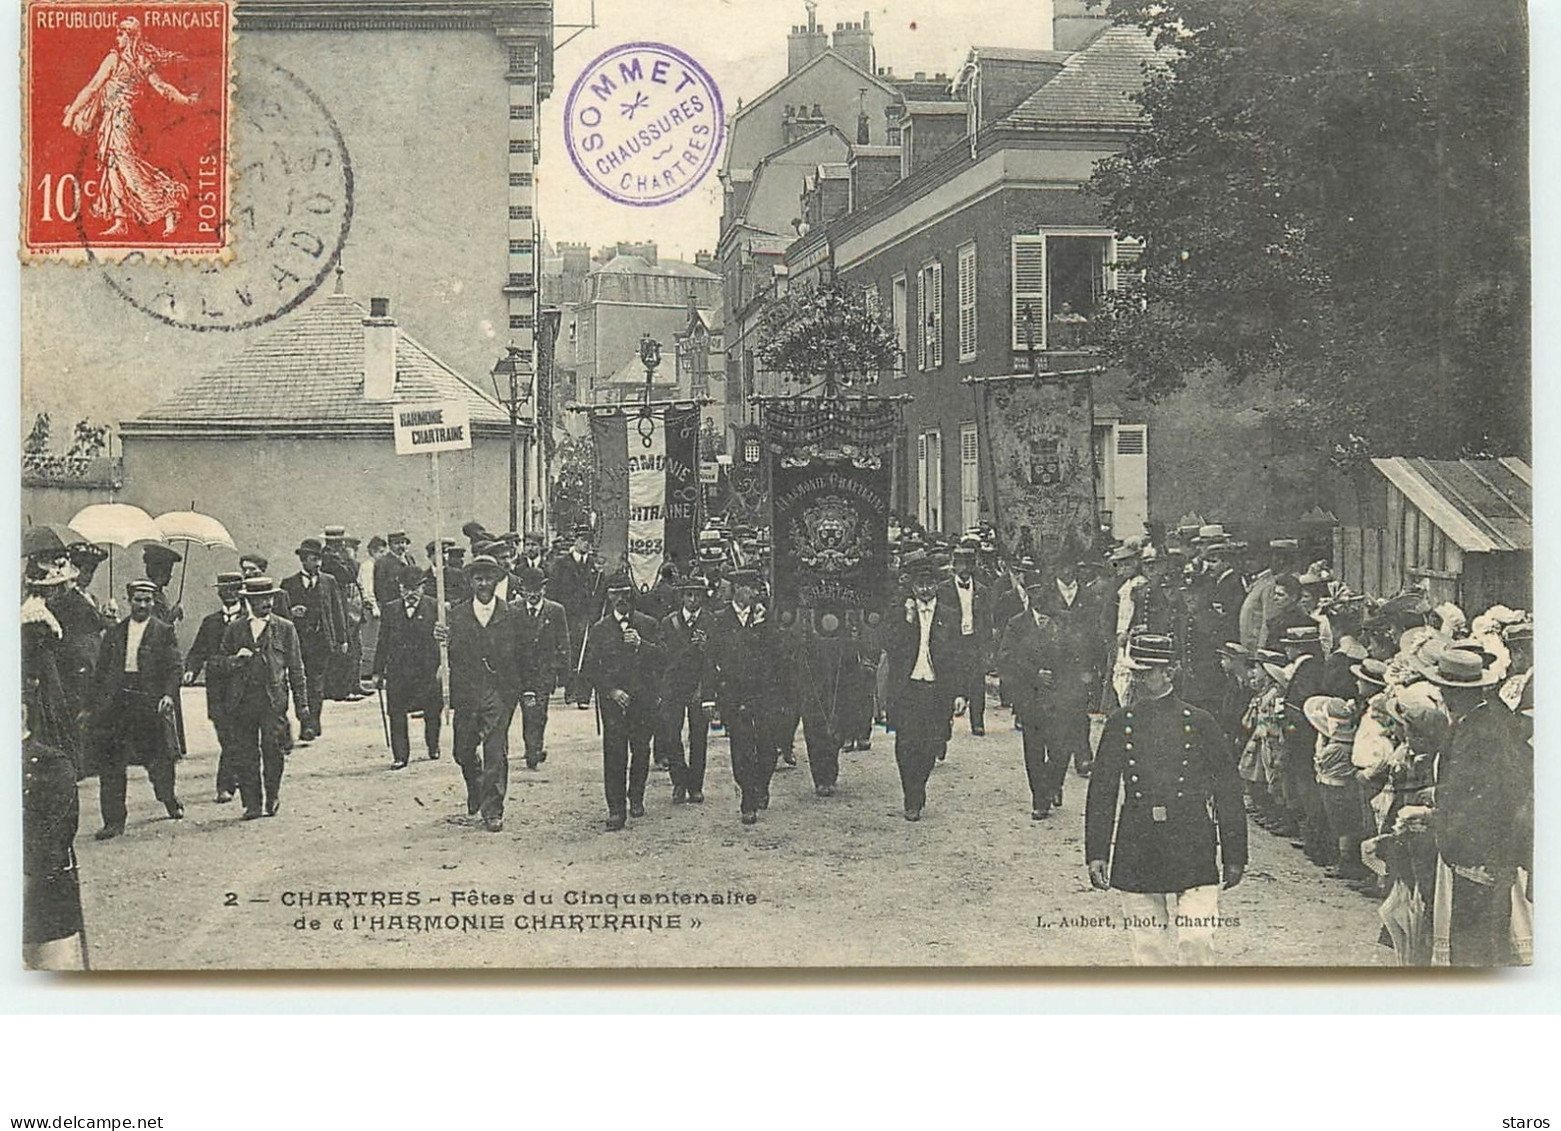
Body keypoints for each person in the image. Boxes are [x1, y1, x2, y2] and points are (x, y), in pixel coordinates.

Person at [1085, 633, 1248, 965]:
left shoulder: (1201, 723)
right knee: (1149, 948)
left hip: (1192, 842)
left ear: (1171, 671)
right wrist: (1097, 852)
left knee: (1197, 937)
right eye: (1137, 671)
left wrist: (1235, 854)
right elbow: (1102, 790)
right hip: (1138, 842)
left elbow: (1228, 791)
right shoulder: (1121, 723)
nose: (1141, 679)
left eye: (1149, 671)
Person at [1425, 646, 1532, 966]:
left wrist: (1442, 823)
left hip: (1481, 854)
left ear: (1452, 693)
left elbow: (1491, 797)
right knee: (1483, 940)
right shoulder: (1484, 718)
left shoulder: (1480, 731)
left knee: (1477, 944)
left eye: (1445, 691)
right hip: (1480, 851)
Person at [62, 15, 197, 237]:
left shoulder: (115, 60)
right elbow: (163, 88)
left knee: (129, 170)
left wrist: (72, 113)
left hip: (119, 123)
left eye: (121, 34)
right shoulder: (142, 62)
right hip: (115, 121)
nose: (117, 38)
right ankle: (120, 219)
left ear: (130, 36)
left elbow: (93, 87)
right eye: (118, 33)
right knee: (112, 167)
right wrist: (186, 99)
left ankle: (168, 208)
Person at [87, 579, 185, 840]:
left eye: (148, 600)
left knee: (159, 759)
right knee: (112, 763)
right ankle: (113, 821)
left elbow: (174, 667)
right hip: (118, 704)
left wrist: (168, 694)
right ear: (129, 600)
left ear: (153, 602)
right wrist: (95, 705)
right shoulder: (115, 633)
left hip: (148, 701)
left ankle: (168, 797)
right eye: (138, 600)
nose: (143, 605)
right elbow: (101, 672)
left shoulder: (163, 631)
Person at [211, 577, 309, 819]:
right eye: (260, 599)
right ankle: (252, 804)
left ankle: (272, 795)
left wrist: (302, 704)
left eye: (270, 598)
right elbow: (218, 663)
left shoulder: (284, 628)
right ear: (248, 600)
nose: (266, 603)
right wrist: (235, 660)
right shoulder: (235, 629)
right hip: (242, 702)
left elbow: (296, 668)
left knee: (273, 751)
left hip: (272, 701)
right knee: (246, 754)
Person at [438, 555, 521, 832]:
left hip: (498, 692)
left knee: (495, 751)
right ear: (471, 582)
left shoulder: (511, 614)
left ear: (497, 581)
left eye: (488, 578)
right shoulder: (457, 616)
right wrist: (441, 640)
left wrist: (525, 690)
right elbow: (448, 654)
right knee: (463, 750)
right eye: (478, 578)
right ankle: (475, 786)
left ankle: (493, 810)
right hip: (467, 691)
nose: (483, 583)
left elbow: (524, 656)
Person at [581, 571, 665, 830]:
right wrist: (611, 691)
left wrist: (642, 645)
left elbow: (664, 659)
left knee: (640, 750)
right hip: (614, 702)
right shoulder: (599, 629)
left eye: (626, 594)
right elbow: (591, 669)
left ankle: (636, 795)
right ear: (608, 596)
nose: (621, 599)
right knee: (615, 753)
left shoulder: (648, 624)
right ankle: (616, 809)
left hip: (643, 700)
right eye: (616, 594)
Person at [884, 553, 961, 821]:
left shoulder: (949, 615)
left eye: (929, 584)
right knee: (906, 743)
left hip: (936, 689)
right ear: (912, 586)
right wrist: (906, 621)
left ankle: (919, 784)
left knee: (930, 745)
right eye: (920, 584)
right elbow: (891, 647)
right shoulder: (899, 611)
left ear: (937, 585)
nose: (925, 589)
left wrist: (959, 692)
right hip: (908, 687)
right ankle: (911, 796)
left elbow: (958, 657)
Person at [707, 568, 778, 825]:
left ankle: (762, 783)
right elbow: (711, 659)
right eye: (748, 588)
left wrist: (761, 628)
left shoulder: (765, 619)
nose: (753, 593)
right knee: (742, 747)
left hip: (763, 691)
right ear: (737, 590)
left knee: (768, 745)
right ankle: (748, 798)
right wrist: (711, 696)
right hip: (734, 693)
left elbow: (777, 652)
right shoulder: (720, 620)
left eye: (755, 588)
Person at [182, 571, 248, 802]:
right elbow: (198, 650)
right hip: (217, 688)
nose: (229, 592)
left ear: (241, 591)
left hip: (242, 687)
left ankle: (225, 785)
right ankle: (238, 771)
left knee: (235, 734)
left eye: (233, 588)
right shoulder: (210, 622)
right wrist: (191, 669)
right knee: (225, 734)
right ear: (219, 592)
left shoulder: (249, 620)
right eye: (224, 588)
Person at [372, 561, 444, 769]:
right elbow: (383, 641)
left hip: (427, 670)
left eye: (416, 588)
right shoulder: (391, 609)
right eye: (406, 588)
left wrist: (442, 667)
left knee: (432, 711)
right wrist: (377, 672)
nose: (411, 593)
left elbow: (443, 642)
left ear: (423, 587)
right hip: (398, 671)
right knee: (396, 713)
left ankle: (433, 745)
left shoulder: (434, 607)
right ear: (399, 588)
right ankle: (400, 755)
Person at [1038, 558, 1104, 777]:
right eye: (1062, 566)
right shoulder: (1044, 595)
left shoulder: (1088, 596)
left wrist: (1096, 662)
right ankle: (1058, 757)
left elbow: (1096, 631)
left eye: (1071, 565)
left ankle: (1083, 755)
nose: (1067, 570)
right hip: (1054, 662)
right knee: (1057, 712)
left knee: (1079, 709)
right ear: (1055, 568)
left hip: (1081, 663)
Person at [280, 536, 347, 742]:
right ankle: (305, 719)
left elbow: (338, 610)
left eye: (319, 559)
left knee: (316, 685)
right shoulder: (288, 584)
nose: (317, 563)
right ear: (303, 560)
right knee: (299, 683)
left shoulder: (329, 581)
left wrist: (342, 638)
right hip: (298, 643)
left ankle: (311, 723)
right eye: (312, 559)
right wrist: (292, 612)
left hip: (321, 642)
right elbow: (281, 616)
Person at [658, 575, 715, 803]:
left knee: (699, 737)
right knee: (671, 735)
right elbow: (663, 657)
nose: (693, 600)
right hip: (674, 687)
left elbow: (715, 658)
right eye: (689, 595)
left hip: (699, 687)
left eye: (697, 595)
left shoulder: (711, 621)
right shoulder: (668, 622)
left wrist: (706, 647)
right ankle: (679, 780)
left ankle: (695, 786)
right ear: (682, 597)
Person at [512, 564, 570, 771]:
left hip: (545, 672)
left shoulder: (555, 611)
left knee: (539, 713)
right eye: (529, 589)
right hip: (520, 672)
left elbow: (563, 643)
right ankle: (532, 748)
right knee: (527, 711)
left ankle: (534, 748)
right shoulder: (513, 610)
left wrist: (564, 673)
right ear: (522, 590)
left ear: (544, 589)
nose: (533, 594)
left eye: (538, 589)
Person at [937, 545, 994, 738]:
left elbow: (987, 619)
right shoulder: (943, 589)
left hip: (974, 641)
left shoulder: (982, 590)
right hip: (952, 642)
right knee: (950, 682)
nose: (963, 570)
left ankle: (977, 722)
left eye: (968, 566)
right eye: (960, 565)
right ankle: (946, 721)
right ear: (954, 567)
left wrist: (987, 647)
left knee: (977, 682)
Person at [547, 524, 603, 708]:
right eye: (583, 540)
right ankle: (570, 691)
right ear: (576, 540)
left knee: (588, 654)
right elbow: (553, 591)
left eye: (589, 541)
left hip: (588, 619)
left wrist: (594, 615)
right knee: (569, 653)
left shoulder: (595, 566)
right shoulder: (561, 564)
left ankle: (583, 695)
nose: (586, 544)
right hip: (567, 617)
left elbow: (601, 593)